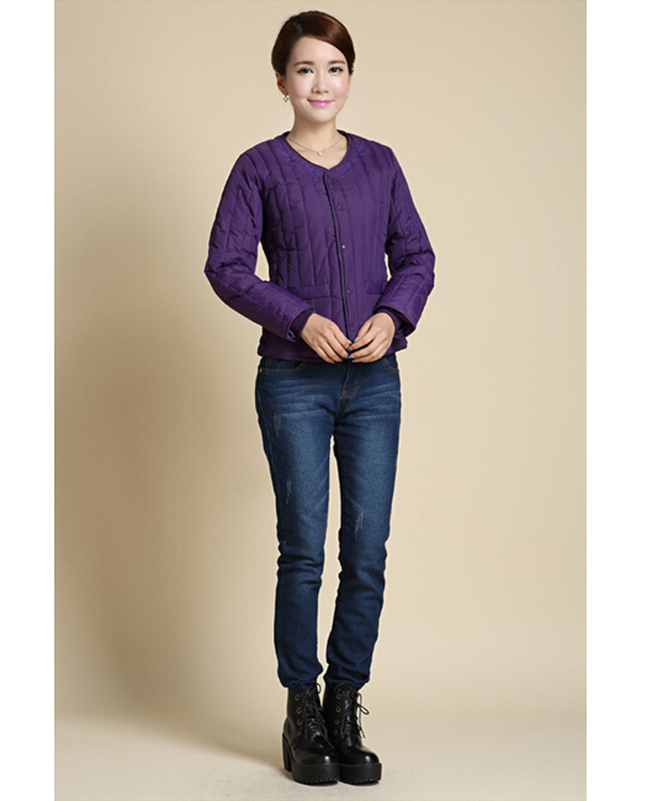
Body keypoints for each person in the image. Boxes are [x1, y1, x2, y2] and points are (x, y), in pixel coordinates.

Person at [204, 10, 434, 785]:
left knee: (366, 550)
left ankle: (344, 701)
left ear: (349, 77)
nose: (321, 83)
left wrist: (391, 314)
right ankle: (300, 707)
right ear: (281, 81)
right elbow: (226, 266)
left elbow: (416, 255)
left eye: (334, 68)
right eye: (305, 68)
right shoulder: (257, 169)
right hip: (292, 383)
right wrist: (298, 317)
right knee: (301, 549)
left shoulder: (381, 165)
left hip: (373, 383)